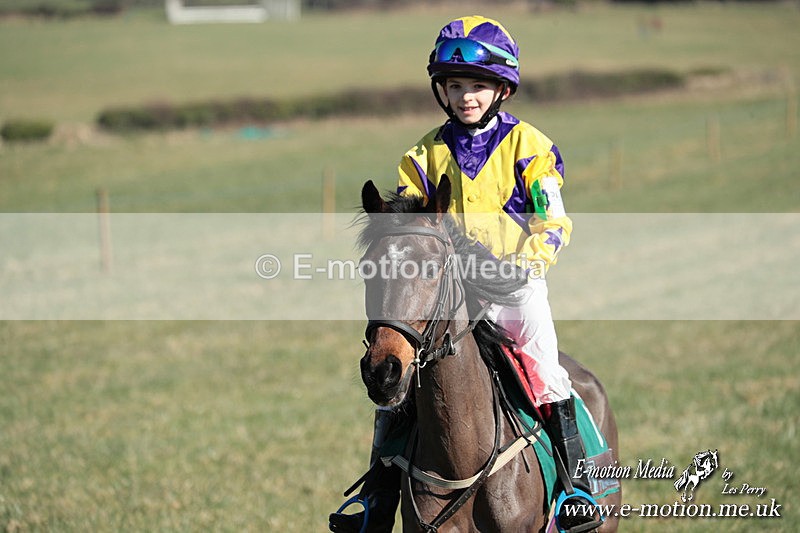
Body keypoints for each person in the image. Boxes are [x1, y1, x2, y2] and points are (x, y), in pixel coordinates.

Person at [331, 15, 597, 533]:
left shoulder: (531, 148)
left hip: (515, 285)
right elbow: (408, 224)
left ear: (501, 89)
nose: (466, 96)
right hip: (448, 290)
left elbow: (553, 220)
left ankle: (575, 490)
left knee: (546, 372)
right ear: (442, 91)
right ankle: (378, 499)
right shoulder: (423, 156)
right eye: (456, 86)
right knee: (402, 385)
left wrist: (529, 262)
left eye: (478, 86)